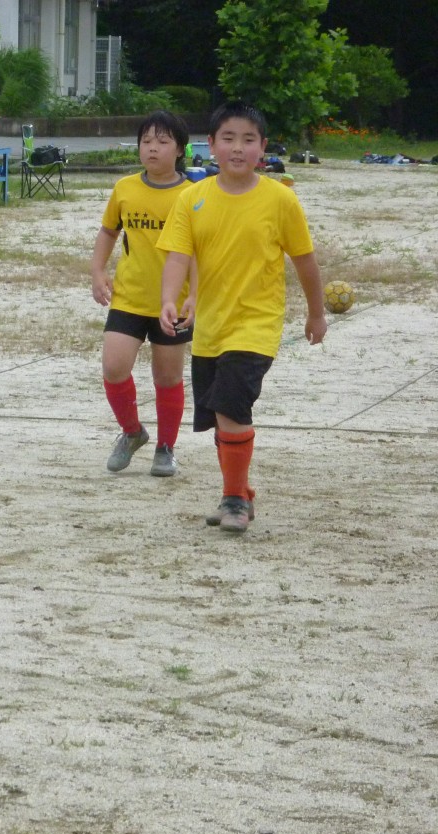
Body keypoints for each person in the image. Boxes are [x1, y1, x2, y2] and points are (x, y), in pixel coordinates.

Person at [157, 100, 328, 533]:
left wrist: (316, 314)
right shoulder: (192, 198)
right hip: (210, 327)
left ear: (263, 147)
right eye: (228, 138)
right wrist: (169, 299)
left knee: (232, 404)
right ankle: (240, 491)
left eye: (248, 140)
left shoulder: (280, 199)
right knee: (220, 415)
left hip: (257, 324)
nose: (238, 148)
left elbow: (304, 261)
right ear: (210, 145)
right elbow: (177, 256)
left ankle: (233, 500)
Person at [91, 110, 196, 477]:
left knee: (167, 378)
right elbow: (109, 231)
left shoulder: (193, 194)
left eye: (163, 141)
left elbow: (202, 251)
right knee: (113, 367)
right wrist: (98, 271)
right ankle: (132, 431)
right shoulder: (125, 188)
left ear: (180, 149)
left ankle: (166, 448)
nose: (153, 148)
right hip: (129, 297)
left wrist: (195, 296)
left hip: (173, 303)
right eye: (146, 141)